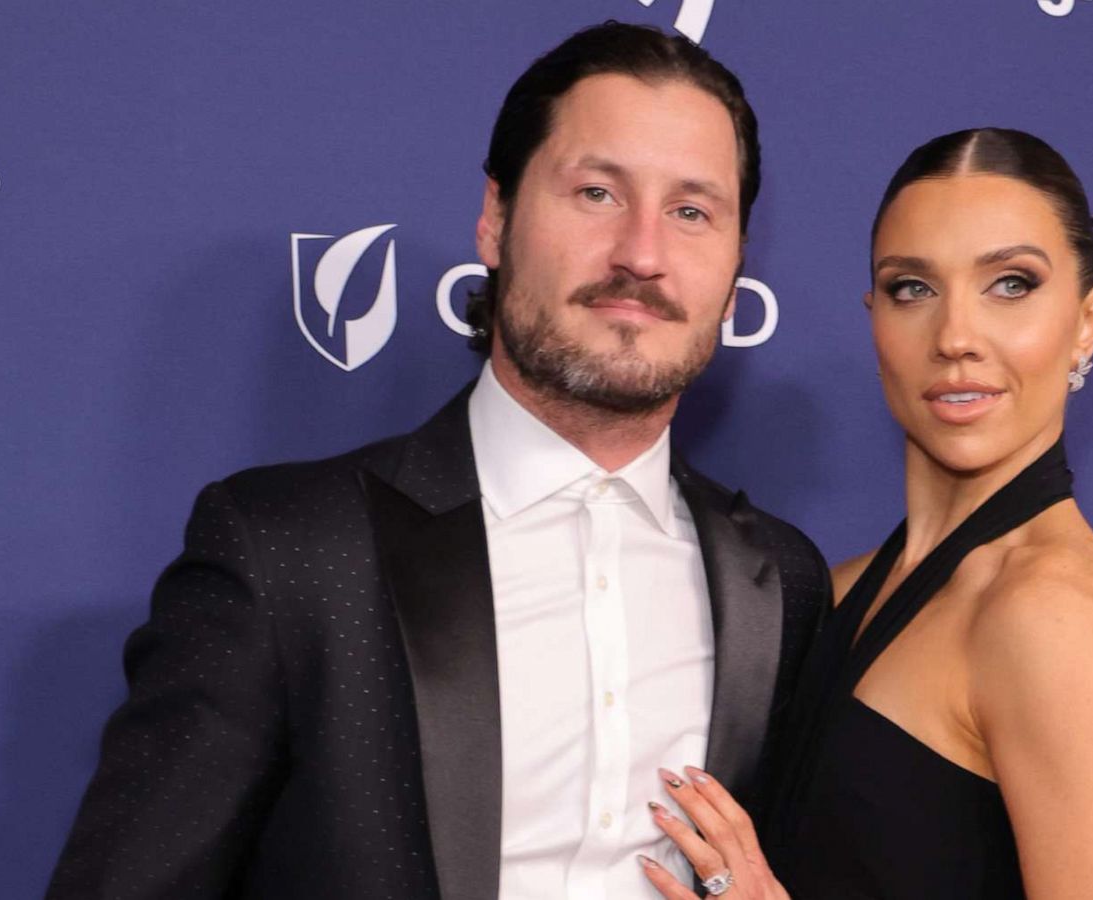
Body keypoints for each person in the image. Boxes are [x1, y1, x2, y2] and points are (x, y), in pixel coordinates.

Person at [46, 22, 830, 900]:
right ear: (496, 220)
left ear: (734, 268)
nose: (642, 255)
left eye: (692, 211)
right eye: (598, 193)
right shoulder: (288, 552)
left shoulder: (781, 584)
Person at [639, 129, 1093, 899]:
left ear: (1089, 319)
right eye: (912, 289)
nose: (955, 338)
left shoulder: (1048, 614)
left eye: (1011, 284)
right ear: (874, 314)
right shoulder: (839, 588)